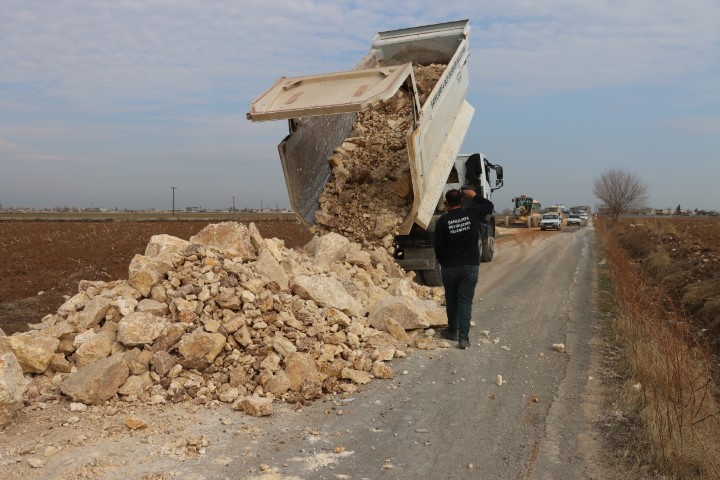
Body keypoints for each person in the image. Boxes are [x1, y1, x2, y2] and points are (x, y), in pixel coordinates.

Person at [434, 188, 493, 349]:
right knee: (465, 301)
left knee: (452, 300)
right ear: (462, 200)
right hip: (470, 267)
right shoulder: (472, 214)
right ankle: (463, 338)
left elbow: (438, 247)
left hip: (450, 267)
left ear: (446, 203)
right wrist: (474, 196)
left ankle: (452, 330)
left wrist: (443, 262)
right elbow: (489, 205)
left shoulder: (442, 221)